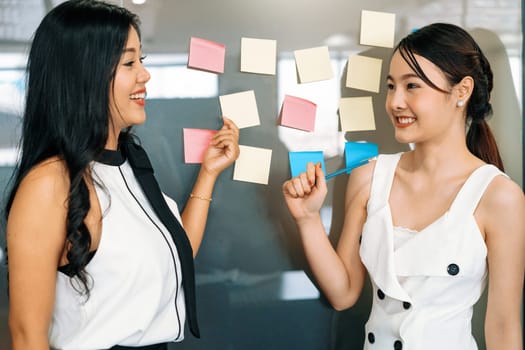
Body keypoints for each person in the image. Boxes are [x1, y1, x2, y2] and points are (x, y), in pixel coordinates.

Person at [5, 0, 240, 349]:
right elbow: (28, 337)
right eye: (129, 63)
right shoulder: (49, 183)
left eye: (140, 60)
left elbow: (175, 254)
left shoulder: (131, 163)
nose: (145, 75)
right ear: (85, 74)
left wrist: (208, 174)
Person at [282, 23, 525, 350]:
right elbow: (343, 294)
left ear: (462, 92)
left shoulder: (499, 197)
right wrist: (307, 219)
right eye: (390, 86)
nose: (395, 102)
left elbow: (502, 328)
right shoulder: (369, 176)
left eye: (412, 86)